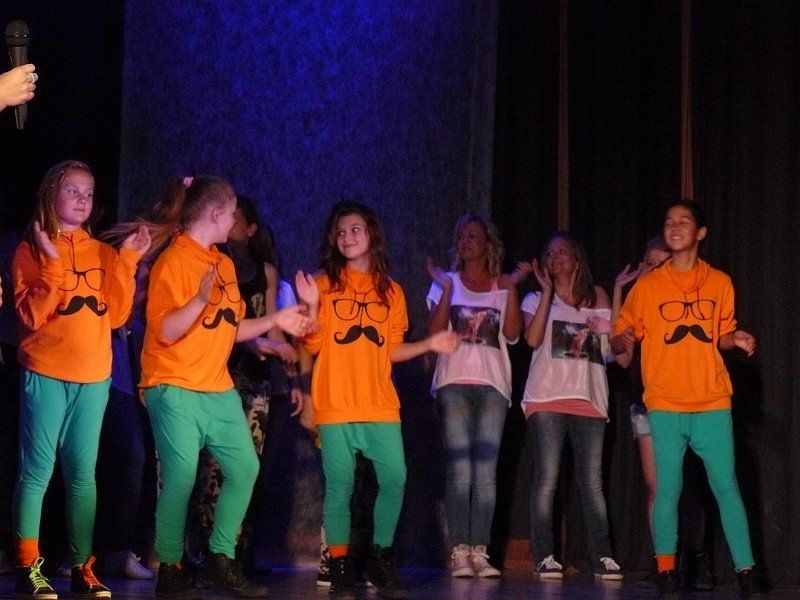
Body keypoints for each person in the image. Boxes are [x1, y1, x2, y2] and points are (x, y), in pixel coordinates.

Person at [138, 175, 311, 600]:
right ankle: (171, 567)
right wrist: (198, 301)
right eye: (232, 213)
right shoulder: (174, 260)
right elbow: (165, 329)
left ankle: (220, 557)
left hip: (216, 386)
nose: (234, 220)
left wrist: (275, 322)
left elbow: (229, 327)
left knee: (245, 468)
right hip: (173, 384)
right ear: (216, 213)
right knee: (181, 476)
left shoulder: (224, 263)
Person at [294, 200, 459, 600]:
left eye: (355, 229)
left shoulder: (392, 291)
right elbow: (311, 343)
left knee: (395, 478)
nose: (347, 237)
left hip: (380, 403)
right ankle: (340, 565)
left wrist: (429, 344)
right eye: (341, 232)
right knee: (340, 487)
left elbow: (392, 349)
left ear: (372, 235)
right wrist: (312, 305)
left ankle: (380, 556)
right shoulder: (322, 285)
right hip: (335, 403)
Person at [10, 160, 151, 599]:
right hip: (46, 373)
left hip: (93, 378)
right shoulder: (31, 249)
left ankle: (82, 567)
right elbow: (31, 315)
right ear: (51, 193)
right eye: (72, 190)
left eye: (88, 193)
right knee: (37, 472)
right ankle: (28, 567)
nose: (82, 200)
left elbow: (118, 315)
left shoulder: (104, 254)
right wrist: (53, 266)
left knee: (82, 476)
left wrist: (128, 260)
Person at [611, 200, 763, 600]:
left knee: (726, 485)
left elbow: (721, 334)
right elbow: (623, 333)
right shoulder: (648, 286)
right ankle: (666, 571)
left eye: (683, 221)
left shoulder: (720, 283)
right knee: (668, 488)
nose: (674, 227)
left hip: (711, 399)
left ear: (700, 232)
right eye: (668, 222)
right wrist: (619, 339)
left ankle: (746, 572)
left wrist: (736, 338)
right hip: (665, 401)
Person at [425, 214, 528, 578]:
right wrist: (447, 289)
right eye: (461, 236)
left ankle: (480, 551)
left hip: (492, 385)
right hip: (453, 382)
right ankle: (459, 551)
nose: (466, 241)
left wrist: (511, 288)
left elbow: (513, 335)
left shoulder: (502, 286)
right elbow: (434, 333)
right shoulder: (446, 282)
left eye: (473, 236)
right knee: (460, 469)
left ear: (488, 244)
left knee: (485, 471)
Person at [612, 236, 715, 590]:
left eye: (661, 264)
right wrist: (619, 293)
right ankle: (664, 563)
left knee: (688, 486)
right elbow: (621, 358)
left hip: (684, 403)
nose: (654, 269)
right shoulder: (637, 301)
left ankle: (697, 561)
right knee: (657, 487)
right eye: (649, 263)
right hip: (646, 405)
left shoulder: (680, 301)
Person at [520, 231, 622, 581]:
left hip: (589, 397)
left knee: (591, 482)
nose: (555, 258)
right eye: (549, 253)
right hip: (546, 397)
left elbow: (610, 351)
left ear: (577, 259)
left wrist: (613, 317)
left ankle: (602, 555)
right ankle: (545, 555)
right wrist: (548, 292)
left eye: (562, 251)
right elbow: (532, 339)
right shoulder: (535, 298)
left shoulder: (598, 297)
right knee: (547, 479)